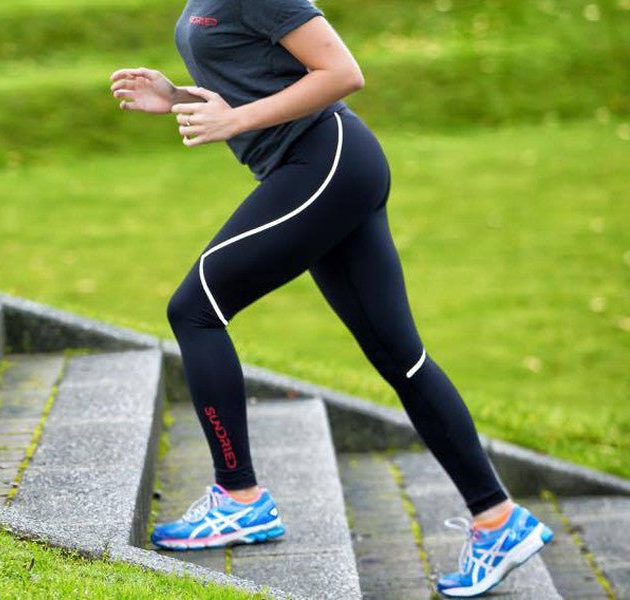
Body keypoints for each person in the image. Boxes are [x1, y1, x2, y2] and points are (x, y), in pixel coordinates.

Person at [109, 1, 552, 596]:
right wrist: (178, 97)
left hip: (324, 160)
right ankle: (498, 519)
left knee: (194, 309)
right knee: (403, 359)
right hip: (324, 168)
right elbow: (255, 77)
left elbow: (342, 73)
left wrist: (235, 124)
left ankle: (239, 496)